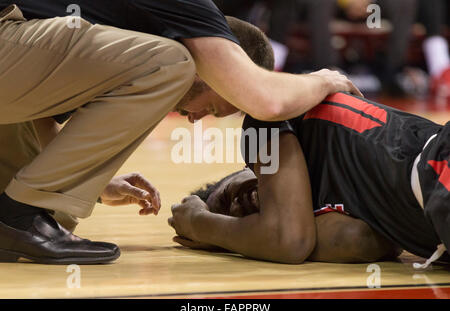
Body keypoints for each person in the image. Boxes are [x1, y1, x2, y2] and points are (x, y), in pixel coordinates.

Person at [0, 1, 360, 265]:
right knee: (170, 63)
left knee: (49, 217)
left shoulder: (114, 37)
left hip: (11, 61)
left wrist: (91, 179)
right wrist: (324, 78)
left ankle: (17, 215)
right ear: (224, 63)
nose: (196, 118)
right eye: (216, 107)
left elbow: (38, 110)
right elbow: (267, 101)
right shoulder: (194, 13)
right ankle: (17, 215)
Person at [169, 25, 450, 267]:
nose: (243, 203)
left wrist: (201, 224)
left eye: (228, 194)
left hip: (438, 164)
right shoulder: (338, 204)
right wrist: (235, 237)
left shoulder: (265, 118)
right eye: (236, 215)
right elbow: (360, 243)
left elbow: (287, 240)